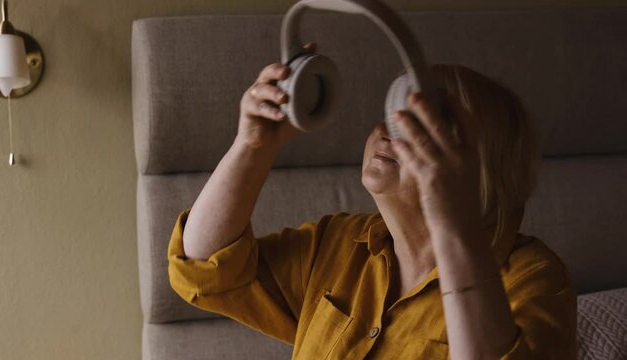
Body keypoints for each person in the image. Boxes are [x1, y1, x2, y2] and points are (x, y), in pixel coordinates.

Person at [167, 43, 577, 359]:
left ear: (483, 163)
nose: (389, 129)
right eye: (394, 111)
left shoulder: (533, 280)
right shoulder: (340, 243)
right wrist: (252, 145)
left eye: (426, 123)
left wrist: (452, 218)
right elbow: (204, 270)